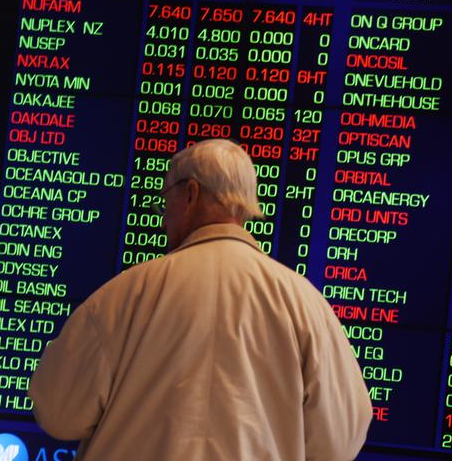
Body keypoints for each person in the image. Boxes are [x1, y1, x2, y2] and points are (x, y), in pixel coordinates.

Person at [29, 139, 372, 460]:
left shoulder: (124, 295)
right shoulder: (306, 304)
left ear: (190, 193)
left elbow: (59, 413)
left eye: (165, 199)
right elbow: (340, 442)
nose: (163, 216)